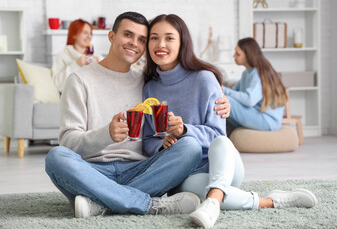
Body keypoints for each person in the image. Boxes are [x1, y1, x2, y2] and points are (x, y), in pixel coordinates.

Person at [45, 11, 230, 219]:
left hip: (140, 169)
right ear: (111, 36)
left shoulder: (145, 83)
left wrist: (223, 97)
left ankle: (104, 203)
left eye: (142, 39)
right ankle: (145, 203)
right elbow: (68, 142)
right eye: (127, 35)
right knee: (56, 157)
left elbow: (158, 130)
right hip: (93, 171)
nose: (134, 43)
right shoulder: (79, 80)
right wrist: (106, 134)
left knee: (190, 147)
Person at [142, 14, 318, 229]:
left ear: (182, 43)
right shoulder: (149, 88)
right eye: (154, 38)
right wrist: (163, 144)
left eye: (169, 38)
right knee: (194, 196)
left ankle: (214, 201)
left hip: (223, 164)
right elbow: (148, 140)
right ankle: (269, 201)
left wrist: (185, 130)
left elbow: (218, 135)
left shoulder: (204, 79)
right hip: (188, 173)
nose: (161, 45)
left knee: (223, 142)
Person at [224, 37, 289, 131]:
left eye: (237, 54)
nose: (234, 56)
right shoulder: (247, 73)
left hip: (267, 120)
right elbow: (234, 91)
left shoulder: (257, 73)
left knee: (225, 102)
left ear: (248, 55)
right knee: (223, 107)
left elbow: (250, 99)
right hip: (257, 115)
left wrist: (224, 90)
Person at [51, 19, 102, 92]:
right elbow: (56, 83)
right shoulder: (63, 56)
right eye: (85, 33)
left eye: (90, 33)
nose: (89, 36)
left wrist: (100, 67)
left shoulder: (96, 57)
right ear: (74, 35)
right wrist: (76, 64)